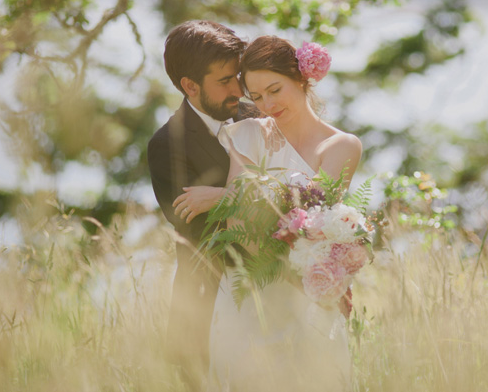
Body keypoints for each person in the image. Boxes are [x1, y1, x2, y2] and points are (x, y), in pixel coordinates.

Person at [175, 35, 362, 391]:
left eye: (275, 90)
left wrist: (221, 195)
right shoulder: (247, 134)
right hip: (248, 291)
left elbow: (318, 226)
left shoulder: (340, 146)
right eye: (257, 97)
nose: (268, 105)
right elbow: (239, 224)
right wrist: (242, 201)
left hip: (308, 290)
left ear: (302, 79)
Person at [146, 20, 255, 391]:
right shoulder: (167, 146)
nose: (238, 89)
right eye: (225, 81)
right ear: (190, 86)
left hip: (279, 290)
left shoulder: (260, 115)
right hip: (209, 308)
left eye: (237, 75)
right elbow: (204, 233)